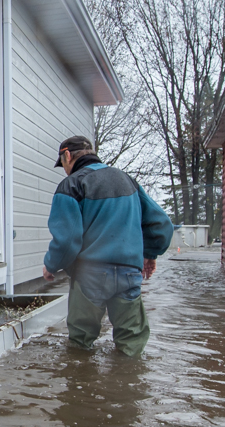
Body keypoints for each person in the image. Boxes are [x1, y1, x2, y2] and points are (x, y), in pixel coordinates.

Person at [41, 135, 173, 357]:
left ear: (67, 155)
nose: (64, 169)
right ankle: (128, 386)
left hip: (90, 275)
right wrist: (150, 255)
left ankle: (81, 386)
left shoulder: (71, 185)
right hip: (129, 274)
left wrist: (51, 265)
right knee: (132, 344)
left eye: (62, 163)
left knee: (80, 346)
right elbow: (162, 224)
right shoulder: (127, 180)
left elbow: (67, 240)